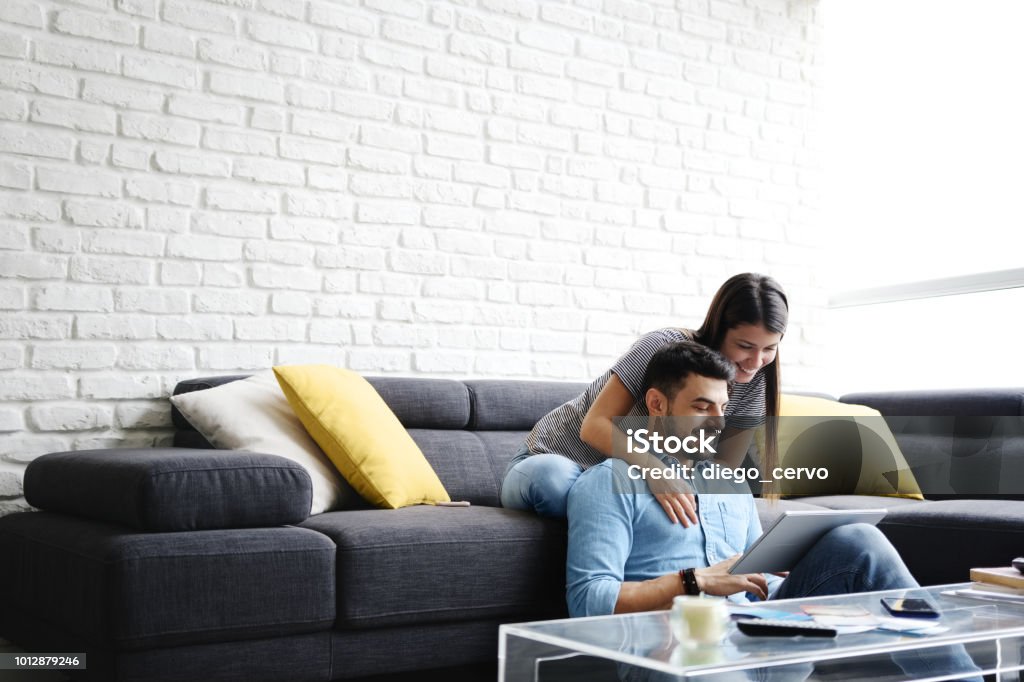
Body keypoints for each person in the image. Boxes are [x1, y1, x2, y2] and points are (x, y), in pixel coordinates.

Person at [565, 342, 981, 682]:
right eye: (701, 406)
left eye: (722, 409)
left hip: (765, 635)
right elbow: (587, 601)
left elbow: (754, 575)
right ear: (657, 404)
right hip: (681, 651)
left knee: (860, 540)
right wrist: (694, 582)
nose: (717, 423)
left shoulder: (729, 481)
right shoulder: (608, 482)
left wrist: (792, 570)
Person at [500, 272, 787, 521]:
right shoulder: (662, 347)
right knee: (557, 484)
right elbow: (594, 426)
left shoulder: (755, 384)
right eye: (745, 346)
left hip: (626, 482)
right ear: (719, 328)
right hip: (557, 460)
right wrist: (657, 471)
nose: (755, 361)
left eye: (769, 349)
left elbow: (720, 471)